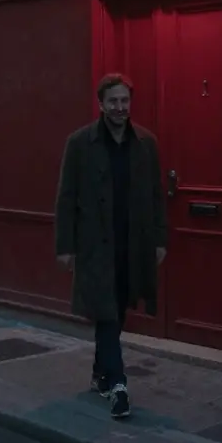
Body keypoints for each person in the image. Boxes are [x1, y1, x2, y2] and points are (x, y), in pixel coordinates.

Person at [54, 73, 167, 420]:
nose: (120, 107)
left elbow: (156, 196)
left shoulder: (146, 143)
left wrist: (159, 240)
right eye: (113, 101)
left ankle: (99, 373)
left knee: (116, 309)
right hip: (95, 245)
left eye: (125, 101)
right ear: (101, 104)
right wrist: (65, 246)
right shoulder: (79, 143)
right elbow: (66, 198)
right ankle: (118, 386)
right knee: (107, 311)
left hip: (131, 244)